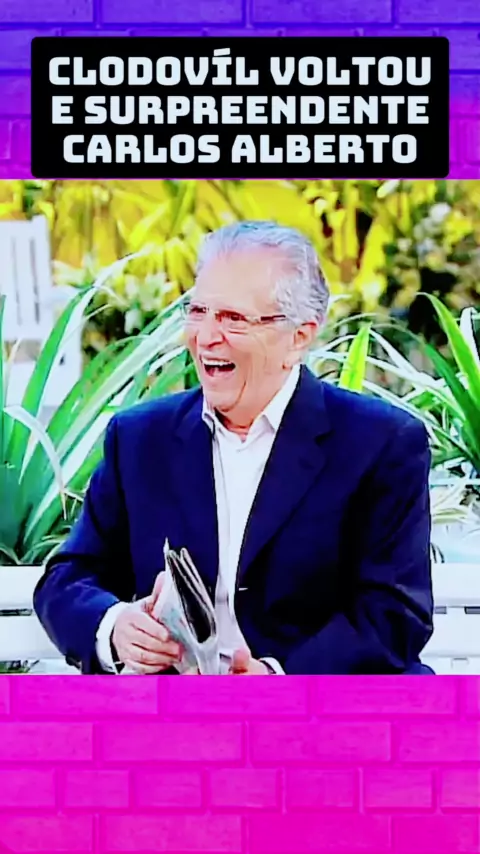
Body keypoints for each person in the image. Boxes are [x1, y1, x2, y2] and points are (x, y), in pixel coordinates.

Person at [33, 220, 434, 675]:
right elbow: (67, 578)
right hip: (175, 704)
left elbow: (393, 614)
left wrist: (276, 681)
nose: (205, 337)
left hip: (316, 702)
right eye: (198, 310)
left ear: (299, 337)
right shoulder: (140, 438)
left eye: (233, 318)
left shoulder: (382, 443)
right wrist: (114, 626)